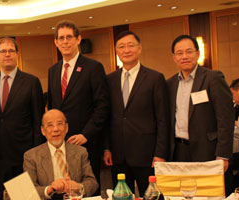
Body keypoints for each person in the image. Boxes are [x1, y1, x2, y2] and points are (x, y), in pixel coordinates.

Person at [47, 20, 110, 193]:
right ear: (56, 42)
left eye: (69, 37)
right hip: (60, 145)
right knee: (62, 190)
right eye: (61, 38)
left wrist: (85, 134)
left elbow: (102, 107)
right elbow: (53, 108)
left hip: (85, 144)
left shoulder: (93, 67)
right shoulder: (53, 70)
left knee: (87, 191)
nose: (65, 41)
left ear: (78, 39)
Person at [103, 31, 169, 195]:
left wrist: (160, 153)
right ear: (116, 51)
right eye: (121, 47)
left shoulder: (155, 78)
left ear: (139, 48)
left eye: (130, 45)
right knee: (121, 197)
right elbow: (106, 117)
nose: (126, 50)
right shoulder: (109, 80)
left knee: (152, 196)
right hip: (118, 155)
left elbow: (163, 119)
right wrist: (106, 148)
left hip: (147, 154)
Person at [167, 35, 234, 169]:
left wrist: (223, 155)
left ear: (198, 54)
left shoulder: (212, 78)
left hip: (207, 150)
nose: (184, 56)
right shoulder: (169, 84)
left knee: (207, 190)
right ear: (174, 58)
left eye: (189, 51)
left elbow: (226, 119)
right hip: (178, 151)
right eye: (179, 53)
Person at [0, 37, 45, 176]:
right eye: (3, 51)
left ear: (17, 54)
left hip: (23, 152)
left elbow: (38, 120)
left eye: (11, 51)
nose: (7, 54)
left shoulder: (31, 82)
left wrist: (36, 151)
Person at [24, 109, 98, 200]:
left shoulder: (80, 152)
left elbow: (92, 182)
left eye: (59, 124)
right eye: (50, 125)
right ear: (43, 130)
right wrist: (49, 189)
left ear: (66, 127)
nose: (56, 129)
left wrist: (79, 187)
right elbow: (29, 190)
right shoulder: (31, 156)